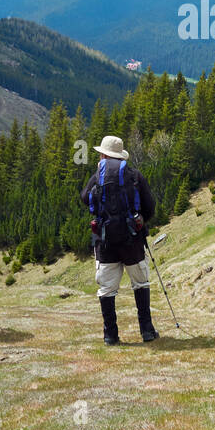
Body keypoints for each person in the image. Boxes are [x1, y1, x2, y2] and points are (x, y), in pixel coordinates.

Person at [80, 135, 157, 345]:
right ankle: (147, 331)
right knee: (140, 283)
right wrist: (138, 223)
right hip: (132, 241)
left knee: (107, 289)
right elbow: (150, 206)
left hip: (105, 243)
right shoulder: (133, 175)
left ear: (103, 154)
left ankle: (110, 335)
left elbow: (85, 198)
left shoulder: (97, 176)